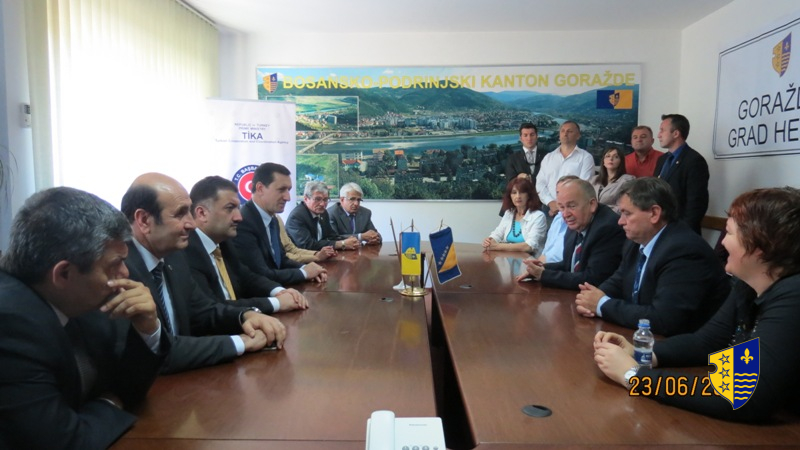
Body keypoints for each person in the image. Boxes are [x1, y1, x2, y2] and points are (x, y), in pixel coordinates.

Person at [594, 187, 800, 422]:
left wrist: (635, 377)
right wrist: (642, 353)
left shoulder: (794, 297)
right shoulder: (746, 285)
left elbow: (741, 392)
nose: (722, 243)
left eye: (729, 233)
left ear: (760, 247)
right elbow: (707, 343)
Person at [0, 187, 168, 449]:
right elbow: (65, 442)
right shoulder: (10, 324)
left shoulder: (78, 298)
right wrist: (109, 402)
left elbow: (125, 387)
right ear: (63, 273)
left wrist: (147, 328)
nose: (126, 273)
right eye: (114, 264)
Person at [121, 172, 287, 374]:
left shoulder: (174, 256)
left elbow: (202, 310)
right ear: (144, 220)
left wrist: (245, 316)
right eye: (180, 214)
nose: (191, 224)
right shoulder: (119, 271)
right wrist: (240, 343)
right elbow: (154, 350)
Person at [575, 177, 730, 336]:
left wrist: (601, 305)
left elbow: (664, 319)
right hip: (644, 337)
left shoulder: (684, 251)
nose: (620, 221)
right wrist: (591, 299)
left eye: (627, 213)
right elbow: (619, 280)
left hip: (687, 346)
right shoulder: (636, 241)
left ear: (654, 213)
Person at [185, 176, 309, 314]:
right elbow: (212, 307)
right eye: (230, 208)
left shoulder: (223, 242)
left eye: (238, 208)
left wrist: (279, 291)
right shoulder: (187, 251)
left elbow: (246, 277)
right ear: (202, 213)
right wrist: (277, 303)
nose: (239, 217)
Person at [517, 178, 624, 290]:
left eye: (572, 206)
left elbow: (592, 279)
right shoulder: (576, 223)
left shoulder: (607, 228)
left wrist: (544, 275)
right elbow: (569, 265)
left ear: (592, 204)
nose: (565, 214)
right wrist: (541, 268)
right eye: (562, 207)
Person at [233, 163, 328, 285]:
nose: (288, 197)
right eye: (281, 190)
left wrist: (305, 268)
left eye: (288, 190)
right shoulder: (243, 222)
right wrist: (304, 273)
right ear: (260, 188)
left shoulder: (273, 219)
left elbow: (281, 260)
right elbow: (260, 274)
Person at [654, 114, 709, 234]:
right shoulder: (662, 160)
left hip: (681, 232)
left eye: (662, 130)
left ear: (676, 133)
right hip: (659, 228)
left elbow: (696, 203)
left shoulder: (694, 160)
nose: (658, 135)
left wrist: (683, 232)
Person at [535, 120, 596, 219]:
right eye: (562, 131)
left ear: (578, 136)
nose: (565, 134)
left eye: (569, 131)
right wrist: (550, 202)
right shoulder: (549, 157)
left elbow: (584, 187)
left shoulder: (586, 158)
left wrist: (563, 206)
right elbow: (540, 183)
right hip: (549, 209)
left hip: (573, 212)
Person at [286, 180, 358, 251]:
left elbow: (331, 236)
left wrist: (348, 240)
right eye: (317, 199)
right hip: (301, 257)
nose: (322, 204)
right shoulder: (297, 216)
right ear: (306, 199)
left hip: (320, 255)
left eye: (325, 199)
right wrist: (342, 244)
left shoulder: (323, 213)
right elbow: (307, 245)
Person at [483, 178, 547, 257]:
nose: (518, 196)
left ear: (529, 195)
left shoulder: (538, 216)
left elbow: (529, 246)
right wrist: (490, 241)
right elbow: (498, 233)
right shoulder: (509, 213)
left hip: (530, 260)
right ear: (510, 196)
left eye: (522, 192)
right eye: (514, 192)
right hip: (508, 259)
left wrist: (497, 246)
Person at [328, 182, 382, 246]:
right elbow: (333, 239)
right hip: (340, 251)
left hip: (360, 251)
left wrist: (376, 239)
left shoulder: (365, 213)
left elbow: (375, 234)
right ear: (342, 200)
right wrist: (360, 237)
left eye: (358, 200)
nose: (356, 203)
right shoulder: (331, 213)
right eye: (352, 199)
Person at [594, 147, 635, 213]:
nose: (611, 159)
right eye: (608, 156)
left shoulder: (627, 180)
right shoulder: (593, 179)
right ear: (603, 161)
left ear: (621, 162)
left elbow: (623, 206)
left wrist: (599, 209)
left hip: (612, 217)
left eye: (616, 157)